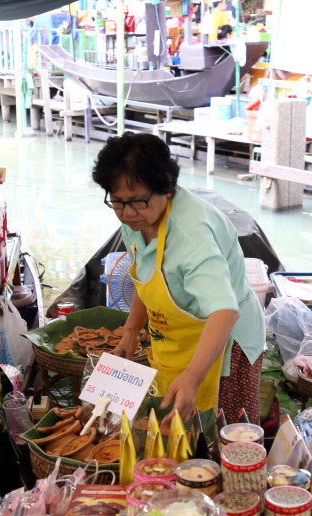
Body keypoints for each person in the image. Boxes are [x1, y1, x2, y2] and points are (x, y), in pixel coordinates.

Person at [92, 133, 265, 427]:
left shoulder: (191, 235)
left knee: (222, 437)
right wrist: (131, 331)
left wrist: (192, 377)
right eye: (118, 202)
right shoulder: (138, 221)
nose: (128, 214)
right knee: (171, 429)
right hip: (177, 334)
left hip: (226, 343)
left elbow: (225, 311)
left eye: (137, 202)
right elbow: (144, 275)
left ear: (167, 186)